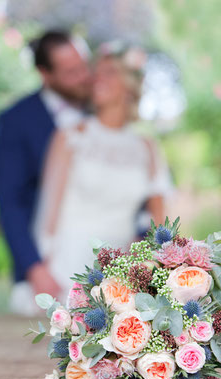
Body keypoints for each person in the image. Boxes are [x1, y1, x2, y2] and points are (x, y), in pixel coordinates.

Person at [24, 44, 173, 310]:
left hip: (119, 271)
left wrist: (142, 265)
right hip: (67, 265)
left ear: (129, 85)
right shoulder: (70, 136)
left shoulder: (147, 147)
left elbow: (160, 224)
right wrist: (42, 269)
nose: (97, 78)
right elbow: (49, 211)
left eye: (109, 72)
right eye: (97, 73)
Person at [0, 31, 91, 314]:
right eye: (72, 72)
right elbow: (9, 202)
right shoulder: (16, 120)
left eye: (84, 66)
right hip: (48, 266)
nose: (84, 76)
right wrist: (34, 269)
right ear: (44, 73)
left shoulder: (104, 111)